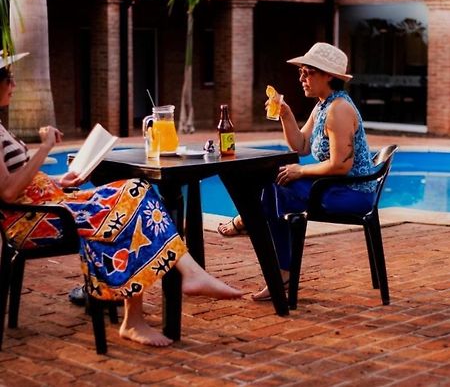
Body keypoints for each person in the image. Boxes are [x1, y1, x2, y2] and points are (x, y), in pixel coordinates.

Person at [0, 53, 242, 347]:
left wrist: (57, 181)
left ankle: (147, 309)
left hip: (50, 205)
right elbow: (8, 192)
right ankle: (180, 282)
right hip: (37, 221)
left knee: (134, 193)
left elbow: (20, 180)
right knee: (132, 198)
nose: (13, 84)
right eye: (8, 78)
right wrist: (46, 147)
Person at [218, 42, 376, 301]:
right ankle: (274, 259)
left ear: (329, 76)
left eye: (308, 72)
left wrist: (301, 173)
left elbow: (341, 165)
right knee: (274, 184)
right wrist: (285, 114)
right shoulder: (324, 105)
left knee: (275, 188)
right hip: (334, 186)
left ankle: (273, 258)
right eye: (301, 71)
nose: (302, 77)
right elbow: (301, 146)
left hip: (352, 193)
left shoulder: (339, 110)